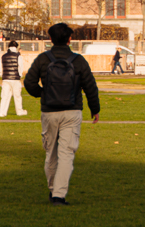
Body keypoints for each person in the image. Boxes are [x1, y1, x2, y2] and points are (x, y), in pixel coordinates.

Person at [23, 22, 100, 205]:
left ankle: (53, 189)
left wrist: (43, 94)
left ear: (50, 39)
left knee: (51, 153)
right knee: (66, 154)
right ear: (70, 39)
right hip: (72, 111)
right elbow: (90, 86)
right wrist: (94, 109)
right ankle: (59, 194)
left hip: (49, 111)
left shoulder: (43, 59)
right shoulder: (78, 60)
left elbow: (29, 82)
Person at [0, 41, 26, 117]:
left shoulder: (3, 56)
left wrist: (3, 75)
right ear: (16, 47)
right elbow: (20, 68)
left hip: (6, 79)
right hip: (16, 79)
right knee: (17, 96)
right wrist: (19, 75)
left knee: (4, 96)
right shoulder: (18, 56)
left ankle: (2, 112)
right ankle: (19, 111)